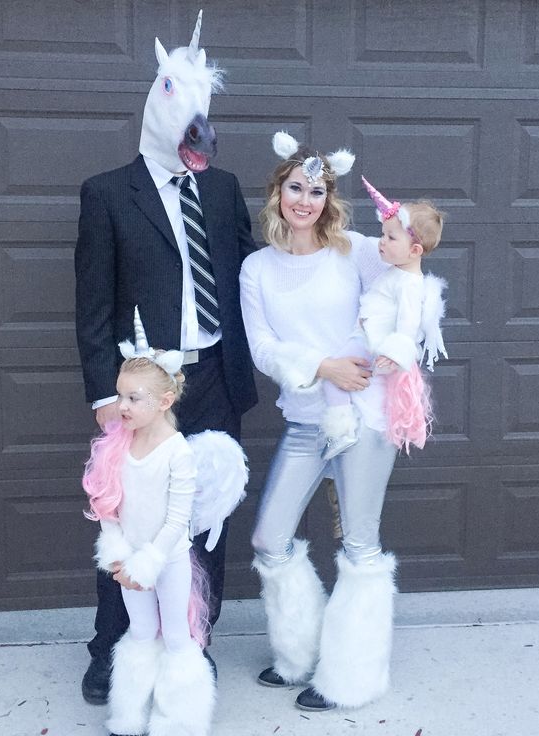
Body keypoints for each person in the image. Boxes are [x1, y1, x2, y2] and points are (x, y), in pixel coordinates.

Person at [75, 12, 257, 705]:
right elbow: (91, 306)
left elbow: (249, 270)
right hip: (142, 385)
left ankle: (190, 642)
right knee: (127, 516)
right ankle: (113, 648)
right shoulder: (106, 193)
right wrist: (103, 395)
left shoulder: (220, 186)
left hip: (211, 375)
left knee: (203, 519)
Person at [239, 131, 445, 713]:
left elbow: (408, 299)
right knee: (268, 537)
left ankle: (349, 676)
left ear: (329, 199)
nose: (305, 200)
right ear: (279, 192)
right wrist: (322, 366)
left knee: (359, 545)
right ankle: (300, 652)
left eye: (318, 190)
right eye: (296, 188)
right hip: (307, 416)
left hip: (364, 417)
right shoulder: (257, 268)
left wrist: (377, 356)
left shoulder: (355, 248)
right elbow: (262, 347)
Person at [83, 310, 247, 736]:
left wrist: (151, 559)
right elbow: (107, 506)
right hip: (130, 561)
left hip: (166, 561)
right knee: (140, 633)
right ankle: (130, 714)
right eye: (120, 396)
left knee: (176, 637)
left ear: (164, 401)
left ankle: (179, 721)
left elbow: (178, 519)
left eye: (134, 399)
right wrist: (119, 555)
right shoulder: (115, 448)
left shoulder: (178, 452)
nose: (122, 406)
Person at [320, 177, 447, 459]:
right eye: (382, 234)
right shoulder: (397, 272)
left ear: (414, 251)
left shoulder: (409, 285)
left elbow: (409, 324)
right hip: (365, 336)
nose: (381, 242)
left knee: (332, 376)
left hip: (371, 343)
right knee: (337, 375)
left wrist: (395, 351)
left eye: (391, 238)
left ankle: (341, 431)